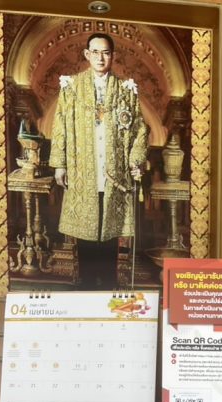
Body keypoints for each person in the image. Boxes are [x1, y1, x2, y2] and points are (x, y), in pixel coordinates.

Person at [49, 33, 148, 289]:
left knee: (109, 229)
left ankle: (108, 285)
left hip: (114, 172)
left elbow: (139, 128)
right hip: (83, 169)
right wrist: (60, 164)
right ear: (86, 54)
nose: (100, 58)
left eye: (105, 52)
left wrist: (135, 160)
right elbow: (60, 125)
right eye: (95, 52)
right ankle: (86, 284)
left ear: (112, 56)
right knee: (86, 229)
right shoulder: (72, 88)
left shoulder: (126, 90)